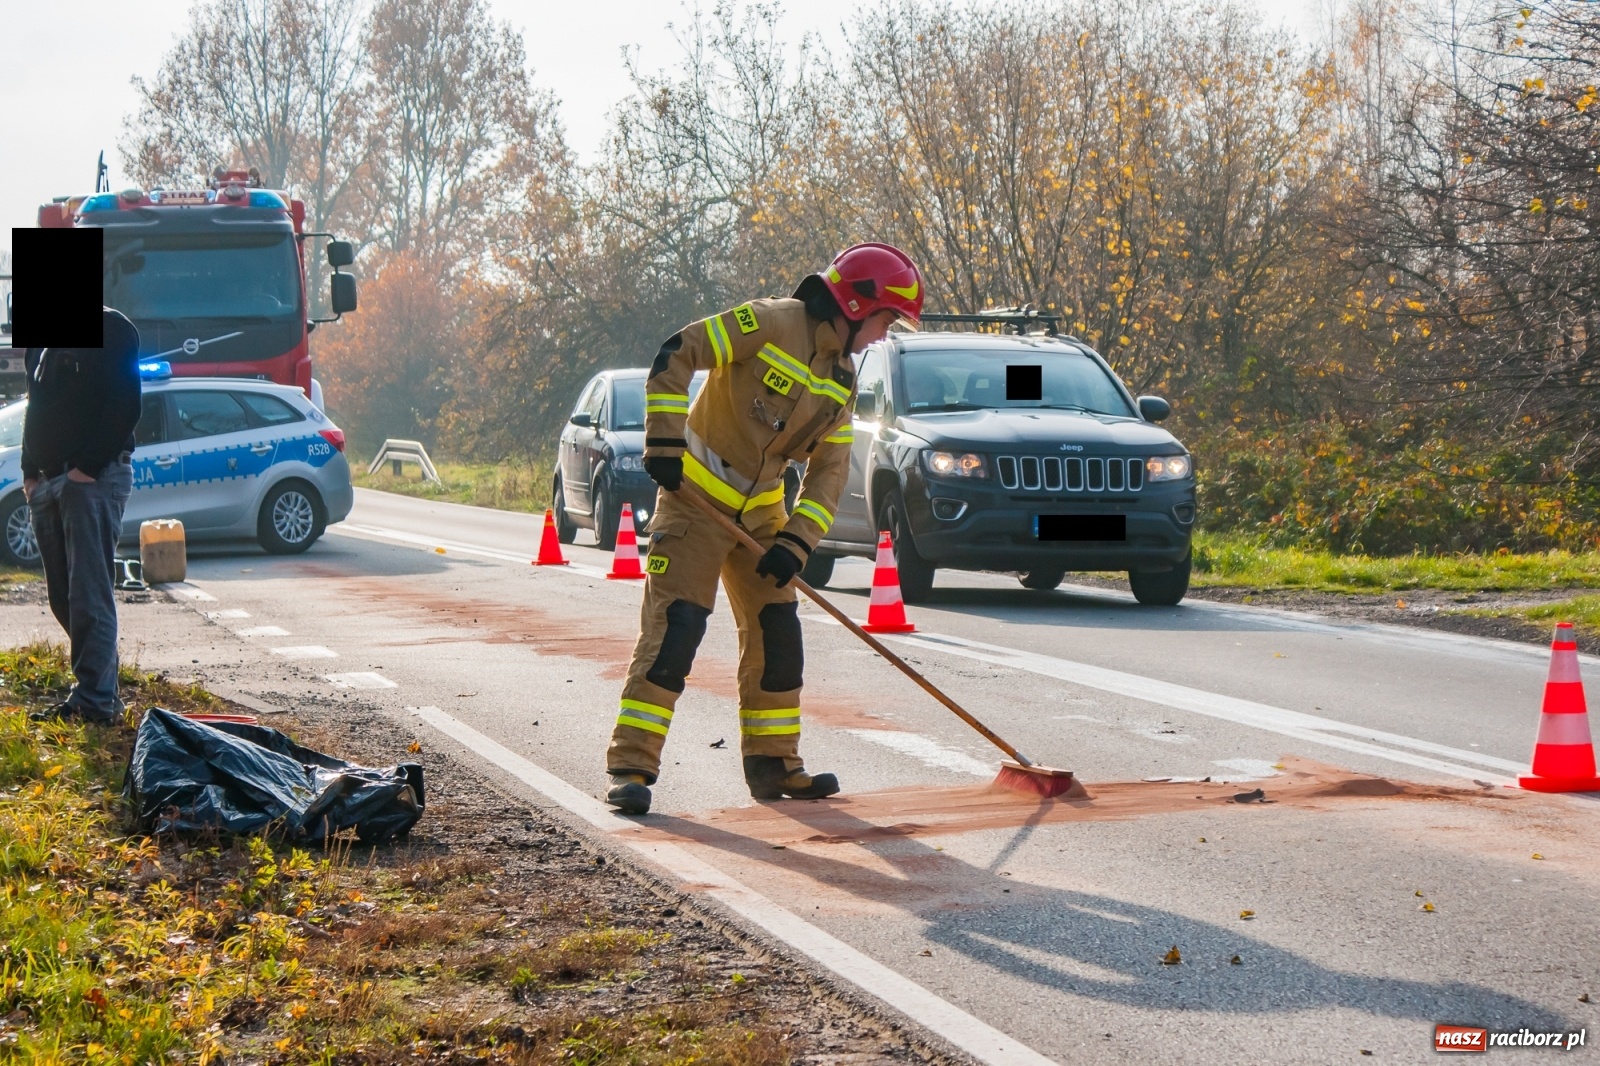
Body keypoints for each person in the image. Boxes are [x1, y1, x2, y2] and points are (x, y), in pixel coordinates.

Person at [605, 243, 924, 815]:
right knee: (675, 632)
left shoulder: (842, 380)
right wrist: (664, 442)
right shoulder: (770, 322)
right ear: (855, 304)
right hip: (692, 503)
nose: (881, 337)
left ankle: (773, 763)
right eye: (883, 321)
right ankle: (631, 767)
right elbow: (678, 352)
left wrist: (795, 542)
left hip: (762, 519)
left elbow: (829, 472)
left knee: (778, 635)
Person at [23, 307, 142, 724]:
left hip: (93, 479)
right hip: (48, 480)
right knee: (63, 597)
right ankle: (100, 691)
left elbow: (126, 404)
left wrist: (85, 471)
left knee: (89, 596)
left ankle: (94, 702)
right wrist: (29, 472)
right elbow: (34, 405)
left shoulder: (113, 328)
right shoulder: (41, 343)